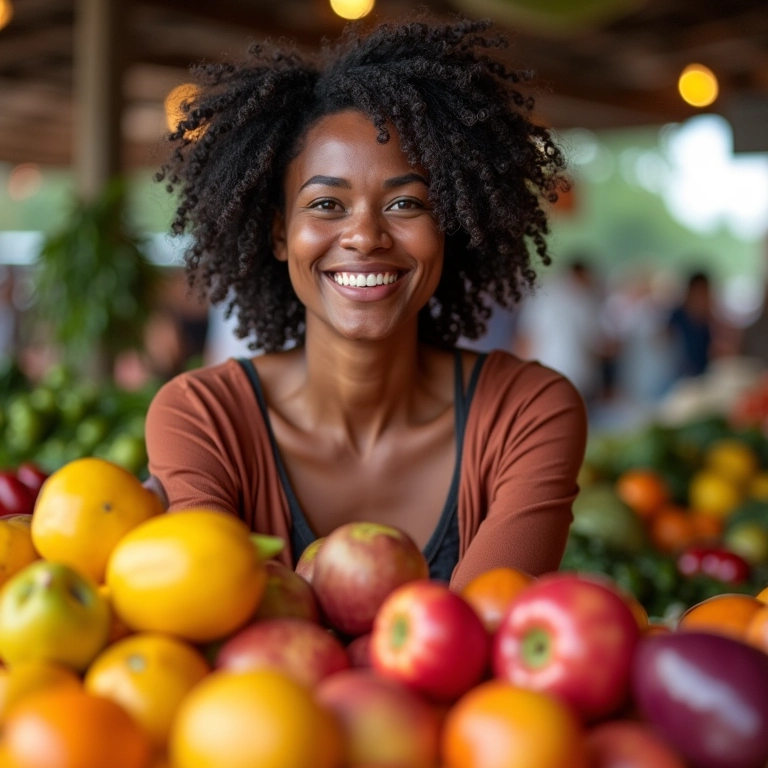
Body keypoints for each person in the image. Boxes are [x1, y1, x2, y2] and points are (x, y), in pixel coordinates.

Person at [145, 17, 587, 590]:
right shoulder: (201, 418)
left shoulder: (527, 414)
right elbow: (214, 610)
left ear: (449, 226)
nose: (365, 236)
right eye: (327, 204)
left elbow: (486, 631)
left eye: (406, 204)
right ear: (280, 235)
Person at [514, 259, 606, 408]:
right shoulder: (584, 300)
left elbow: (525, 337)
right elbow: (597, 343)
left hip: (551, 369)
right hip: (571, 371)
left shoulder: (544, 294)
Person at [667, 270, 714, 380]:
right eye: (698, 293)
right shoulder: (676, 319)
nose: (701, 299)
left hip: (702, 377)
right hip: (679, 379)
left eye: (704, 294)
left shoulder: (709, 322)